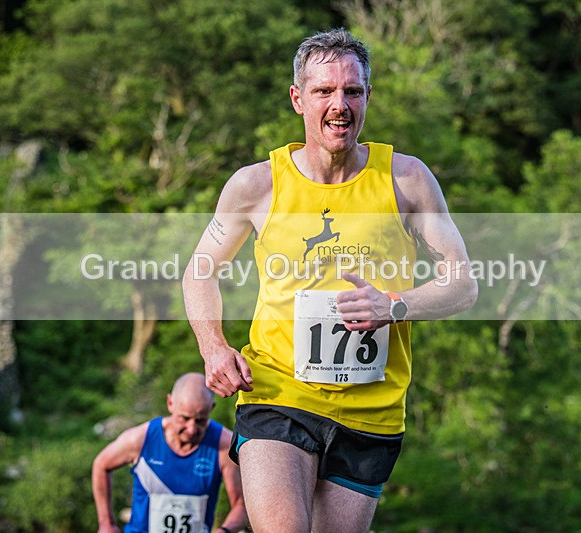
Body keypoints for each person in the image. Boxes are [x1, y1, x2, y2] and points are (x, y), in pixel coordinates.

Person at [182, 28, 477, 532]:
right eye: (324, 91)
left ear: (367, 97)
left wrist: (394, 305)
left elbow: (463, 284)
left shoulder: (406, 180)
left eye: (352, 91)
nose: (339, 105)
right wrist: (213, 347)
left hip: (371, 409)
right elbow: (200, 270)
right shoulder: (258, 184)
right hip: (277, 393)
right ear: (298, 99)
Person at [91, 373, 247, 533]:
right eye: (184, 418)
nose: (192, 429)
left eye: (200, 420)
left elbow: (243, 505)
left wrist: (225, 531)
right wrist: (106, 523)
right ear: (170, 403)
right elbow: (101, 465)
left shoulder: (224, 445)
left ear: (211, 408)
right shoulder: (141, 439)